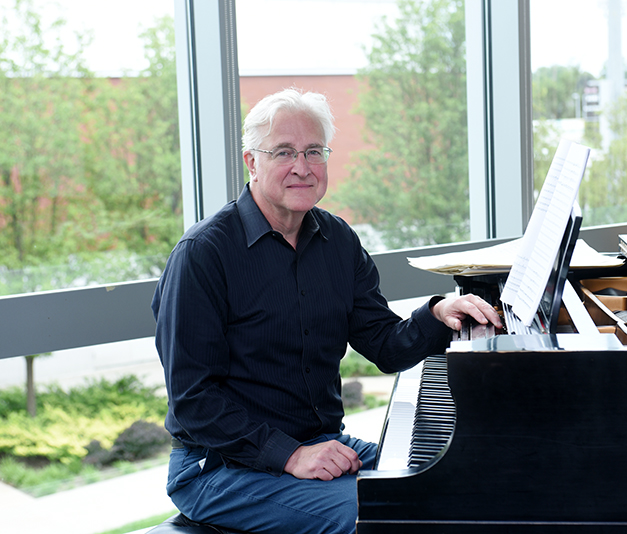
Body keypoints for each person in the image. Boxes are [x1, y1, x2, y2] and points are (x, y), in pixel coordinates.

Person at [151, 87, 501, 534]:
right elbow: (193, 401)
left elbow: (385, 345)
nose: (302, 167)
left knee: (467, 483)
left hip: (319, 445)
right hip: (219, 468)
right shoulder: (203, 254)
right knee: (387, 519)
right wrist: (291, 455)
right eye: (284, 152)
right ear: (251, 162)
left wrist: (437, 313)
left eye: (314, 151)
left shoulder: (337, 240)